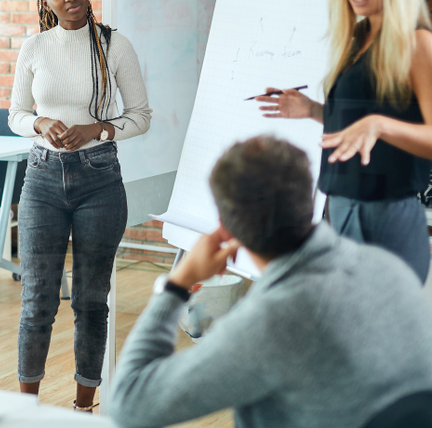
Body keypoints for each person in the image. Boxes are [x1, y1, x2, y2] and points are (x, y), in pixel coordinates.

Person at [108, 135, 432, 428]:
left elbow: (128, 406)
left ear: (224, 228)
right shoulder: (387, 265)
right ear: (310, 199)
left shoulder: (273, 320)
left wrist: (177, 284)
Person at [9, 0, 151, 411]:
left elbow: (141, 117)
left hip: (100, 180)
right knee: (37, 302)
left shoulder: (114, 45)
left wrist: (98, 128)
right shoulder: (34, 47)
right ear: (45, 0)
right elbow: (15, 115)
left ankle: (83, 408)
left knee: (91, 301)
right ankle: (24, 412)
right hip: (42, 180)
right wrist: (40, 123)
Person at [256, 0, 432, 281]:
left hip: (386, 217)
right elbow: (361, 124)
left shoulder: (417, 43)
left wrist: (379, 125)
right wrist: (312, 110)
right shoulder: (358, 38)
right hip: (338, 206)